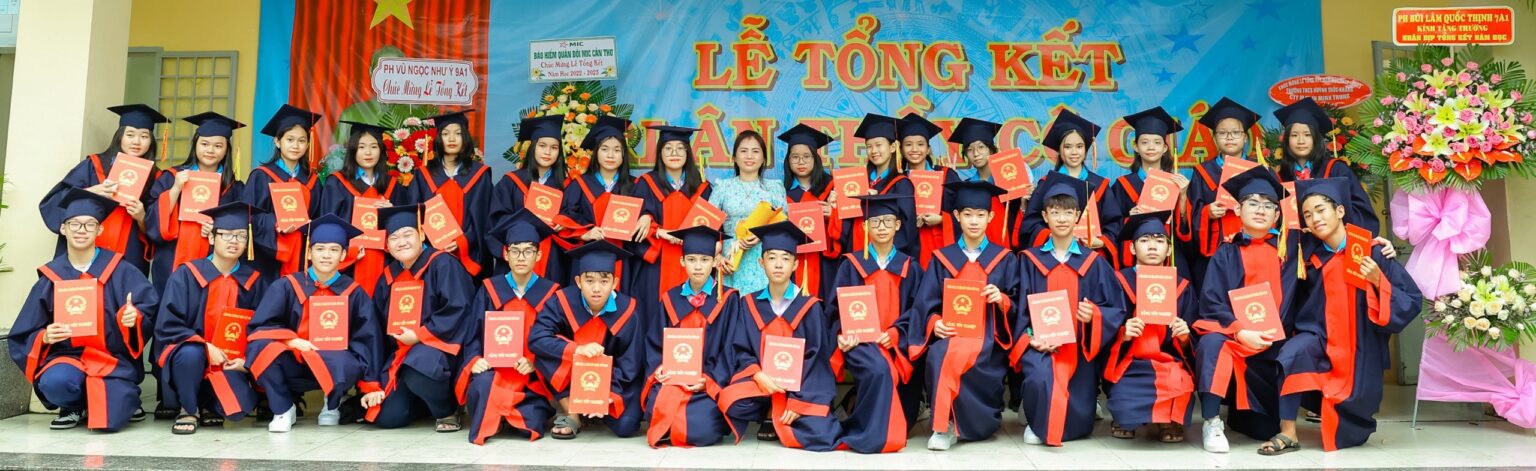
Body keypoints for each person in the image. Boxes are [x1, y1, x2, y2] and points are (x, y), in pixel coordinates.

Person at [1270, 178, 1421, 453]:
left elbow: (1411, 300)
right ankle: (1288, 431)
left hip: (1359, 344)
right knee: (1292, 354)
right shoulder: (1310, 255)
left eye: (1321, 210)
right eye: (1307, 215)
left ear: (1340, 211)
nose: (1315, 219)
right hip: (1320, 336)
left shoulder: (1372, 251)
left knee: (1351, 426)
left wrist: (1378, 280)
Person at [9, 188, 159, 432]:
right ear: (63, 228)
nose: (81, 230)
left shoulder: (120, 270)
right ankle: (74, 405)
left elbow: (148, 306)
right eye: (74, 224)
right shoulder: (51, 277)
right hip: (68, 357)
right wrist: (45, 336)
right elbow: (25, 330)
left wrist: (135, 318)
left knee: (111, 420)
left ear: (99, 230)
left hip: (112, 359)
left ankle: (125, 398)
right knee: (55, 383)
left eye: (90, 225)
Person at [1191, 166, 1302, 453]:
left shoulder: (1292, 247)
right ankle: (1212, 421)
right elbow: (1212, 302)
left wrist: (1379, 245)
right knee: (1211, 343)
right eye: (1253, 203)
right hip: (1238, 339)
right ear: (1238, 210)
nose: (1261, 210)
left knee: (1262, 430)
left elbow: (1335, 241)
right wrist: (1241, 331)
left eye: (1268, 205)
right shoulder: (1226, 251)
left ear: (1277, 215)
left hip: (1277, 345)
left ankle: (1248, 414)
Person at [1013, 172, 1126, 446]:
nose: (1062, 219)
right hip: (1040, 345)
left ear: (1078, 216)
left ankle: (1048, 420)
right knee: (1040, 375)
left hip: (1079, 348)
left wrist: (1094, 315)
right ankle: (1037, 421)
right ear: (1045, 216)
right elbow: (1018, 307)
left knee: (1077, 420)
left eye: (1067, 212)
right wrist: (1032, 338)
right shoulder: (1029, 261)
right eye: (1055, 212)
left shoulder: (1094, 262)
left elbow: (1116, 307)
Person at [906, 181, 1019, 450]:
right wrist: (935, 323)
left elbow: (1019, 304)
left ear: (991, 217)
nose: (974, 221)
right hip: (952, 334)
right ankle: (942, 426)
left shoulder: (1004, 258)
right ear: (956, 216)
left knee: (959, 357)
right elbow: (925, 304)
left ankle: (966, 424)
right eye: (968, 214)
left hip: (989, 338)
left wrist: (1001, 300)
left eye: (980, 215)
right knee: (939, 355)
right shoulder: (942, 258)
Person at [246, 215, 383, 433]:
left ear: (344, 255)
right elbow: (260, 327)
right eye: (320, 249)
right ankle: (283, 408)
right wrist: (292, 341)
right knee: (260, 346)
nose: (326, 255)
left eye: (334, 250)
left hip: (335, 365)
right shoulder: (286, 286)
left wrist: (370, 384)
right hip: (295, 363)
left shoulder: (354, 293)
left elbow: (368, 338)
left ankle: (332, 402)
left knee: (348, 357)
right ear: (309, 253)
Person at [717, 221, 842, 450]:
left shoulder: (810, 306)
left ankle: (782, 412)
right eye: (772, 257)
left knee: (823, 433)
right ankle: (769, 408)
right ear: (761, 262)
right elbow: (741, 348)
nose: (778, 265)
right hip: (762, 384)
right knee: (730, 401)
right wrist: (757, 375)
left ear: (795, 264)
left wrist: (799, 401)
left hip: (800, 388)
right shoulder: (749, 304)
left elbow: (816, 359)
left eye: (785, 258)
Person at [153, 202, 266, 434]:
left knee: (236, 410)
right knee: (190, 353)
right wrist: (205, 346)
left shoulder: (254, 281)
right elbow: (168, 325)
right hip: (190, 358)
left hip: (229, 361)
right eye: (226, 235)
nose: (234, 241)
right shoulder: (186, 275)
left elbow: (262, 328)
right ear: (212, 238)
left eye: (241, 236)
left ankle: (209, 404)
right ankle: (188, 408)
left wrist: (247, 360)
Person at [366, 205, 475, 431]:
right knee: (387, 418)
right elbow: (376, 328)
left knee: (419, 365)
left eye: (408, 235)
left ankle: (447, 410)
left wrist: (419, 335)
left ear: (422, 235)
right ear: (387, 245)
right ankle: (425, 402)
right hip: (402, 355)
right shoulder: (388, 277)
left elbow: (460, 308)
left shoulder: (443, 263)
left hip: (441, 351)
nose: (401, 242)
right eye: (394, 238)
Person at [826, 194, 920, 453]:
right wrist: (842, 334)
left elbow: (918, 310)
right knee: (880, 369)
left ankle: (857, 410)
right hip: (861, 342)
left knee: (890, 370)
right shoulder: (852, 265)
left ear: (897, 226)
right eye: (875, 222)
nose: (881, 227)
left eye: (888, 221)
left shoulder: (910, 267)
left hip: (896, 343)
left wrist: (896, 333)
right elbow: (835, 309)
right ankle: (873, 434)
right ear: (865, 226)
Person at [459, 210, 561, 444]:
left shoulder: (551, 294)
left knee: (531, 426)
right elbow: (473, 334)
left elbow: (556, 339)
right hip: (493, 373)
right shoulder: (489, 289)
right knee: (482, 384)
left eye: (528, 251)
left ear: (538, 255)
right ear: (505, 254)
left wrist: (535, 362)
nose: (521, 257)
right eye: (515, 251)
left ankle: (504, 415)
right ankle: (498, 414)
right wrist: (475, 360)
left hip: (531, 379)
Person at [529, 240, 646, 439]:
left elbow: (631, 363)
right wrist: (576, 349)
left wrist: (604, 395)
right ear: (578, 282)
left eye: (604, 281)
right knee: (544, 353)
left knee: (627, 426)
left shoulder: (628, 311)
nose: (596, 288)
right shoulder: (561, 302)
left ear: (615, 283)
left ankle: (594, 410)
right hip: (571, 375)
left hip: (612, 381)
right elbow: (537, 338)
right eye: (589, 281)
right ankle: (572, 413)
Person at [1103, 211, 1198, 443]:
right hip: (1129, 363)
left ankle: (1167, 419)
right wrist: (1123, 333)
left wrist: (1185, 337)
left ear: (1169, 249)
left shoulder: (1182, 286)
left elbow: (1195, 334)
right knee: (1124, 395)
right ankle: (1126, 416)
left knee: (1180, 382)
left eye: (1159, 241)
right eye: (1144, 240)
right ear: (1132, 248)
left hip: (1169, 362)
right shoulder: (1118, 281)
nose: (1152, 246)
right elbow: (1102, 326)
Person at [40, 104, 169, 276]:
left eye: (144, 136)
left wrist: (141, 217)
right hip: (86, 249)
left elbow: (160, 230)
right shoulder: (92, 166)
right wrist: (92, 191)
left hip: (129, 255)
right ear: (119, 136)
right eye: (130, 134)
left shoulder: (157, 178)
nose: (136, 142)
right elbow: (53, 203)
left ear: (151, 141)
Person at [642, 226, 736, 448]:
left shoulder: (728, 299)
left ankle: (676, 427)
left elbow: (731, 348)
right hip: (674, 379)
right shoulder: (670, 298)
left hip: (708, 383)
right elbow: (655, 343)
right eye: (692, 260)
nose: (698, 266)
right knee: (655, 404)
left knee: (702, 428)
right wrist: (659, 369)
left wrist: (708, 381)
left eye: (704, 260)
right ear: (682, 261)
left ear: (715, 262)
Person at [145, 111, 247, 294]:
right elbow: (152, 220)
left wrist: (218, 229)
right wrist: (175, 189)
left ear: (227, 150)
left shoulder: (234, 188)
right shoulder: (171, 177)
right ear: (195, 145)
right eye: (204, 144)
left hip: (213, 257)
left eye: (218, 146)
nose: (210, 150)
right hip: (171, 257)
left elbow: (241, 226)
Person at [317, 120, 412, 296]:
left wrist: (393, 212)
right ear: (353, 150)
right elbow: (329, 226)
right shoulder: (336, 183)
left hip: (385, 262)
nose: (368, 152)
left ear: (381, 150)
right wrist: (349, 252)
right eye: (361, 147)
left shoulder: (393, 186)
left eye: (374, 147)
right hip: (350, 262)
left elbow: (406, 228)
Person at [1184, 98, 1263, 291]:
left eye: (1236, 132)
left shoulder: (1259, 169)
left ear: (1245, 138)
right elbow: (1191, 212)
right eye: (1222, 133)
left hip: (1253, 249)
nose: (1229, 137)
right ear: (1215, 138)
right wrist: (1207, 213)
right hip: (1215, 252)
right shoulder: (1202, 172)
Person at [1102, 107, 1192, 271]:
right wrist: (1129, 219)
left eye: (1157, 142)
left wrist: (1183, 196)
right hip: (1135, 259)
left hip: (1172, 257)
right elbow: (1113, 227)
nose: (1151, 147)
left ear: (1165, 148)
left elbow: (1186, 229)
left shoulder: (1177, 183)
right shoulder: (1122, 185)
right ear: (1135, 147)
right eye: (1144, 142)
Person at [1271, 98, 1380, 235]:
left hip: (1332, 243)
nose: (1301, 141)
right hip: (1294, 244)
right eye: (1294, 135)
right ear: (1287, 140)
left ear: (1316, 138)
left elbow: (1361, 212)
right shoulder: (1280, 176)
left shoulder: (1336, 170)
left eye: (1307, 135)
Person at [631, 125, 712, 306]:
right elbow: (630, 225)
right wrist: (656, 228)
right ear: (660, 153)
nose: (674, 153)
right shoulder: (646, 184)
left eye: (680, 148)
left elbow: (712, 228)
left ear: (687, 153)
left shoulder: (702, 187)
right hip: (655, 266)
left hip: (693, 265)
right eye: (668, 148)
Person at [243, 104, 324, 284]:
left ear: (308, 144)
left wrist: (310, 226)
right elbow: (248, 216)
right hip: (268, 258)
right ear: (278, 142)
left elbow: (320, 216)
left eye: (301, 140)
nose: (295, 146)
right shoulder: (261, 176)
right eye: (290, 139)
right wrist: (275, 223)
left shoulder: (313, 181)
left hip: (303, 255)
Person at [1016, 110, 1113, 255]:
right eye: (1068, 147)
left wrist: (1102, 241)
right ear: (1059, 150)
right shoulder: (1046, 184)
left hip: (1091, 257)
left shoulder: (1100, 185)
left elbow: (1113, 224)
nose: (1074, 152)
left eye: (1079, 146)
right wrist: (1051, 235)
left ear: (1086, 149)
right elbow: (1031, 225)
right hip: (1053, 256)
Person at [411, 109, 493, 277]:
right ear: (438, 138)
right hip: (431, 254)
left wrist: (463, 241)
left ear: (465, 138)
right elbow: (414, 214)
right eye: (446, 133)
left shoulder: (479, 175)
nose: (452, 139)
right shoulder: (423, 175)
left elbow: (484, 218)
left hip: (468, 255)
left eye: (458, 133)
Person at [559, 115, 639, 288]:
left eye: (617, 150)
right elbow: (566, 217)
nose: (610, 155)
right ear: (596, 152)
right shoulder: (580, 185)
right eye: (604, 149)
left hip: (623, 260)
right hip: (587, 258)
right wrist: (584, 233)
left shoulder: (635, 186)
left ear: (623, 155)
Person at [490, 115, 571, 282]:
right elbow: (495, 221)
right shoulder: (510, 182)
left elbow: (575, 216)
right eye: (542, 146)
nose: (547, 152)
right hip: (516, 256)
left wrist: (564, 222)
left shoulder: (567, 186)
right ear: (533, 147)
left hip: (552, 260)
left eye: (554, 147)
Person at [712, 130, 786, 295]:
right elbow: (708, 229)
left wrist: (761, 234)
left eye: (755, 151)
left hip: (764, 257)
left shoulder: (774, 187)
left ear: (764, 158)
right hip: (730, 258)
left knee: (761, 306)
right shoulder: (722, 187)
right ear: (734, 157)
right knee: (731, 304)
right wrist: (716, 257)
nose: (749, 156)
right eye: (744, 151)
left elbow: (784, 225)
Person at [835, 113, 915, 257]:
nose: (873, 151)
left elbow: (907, 226)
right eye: (869, 146)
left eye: (879, 145)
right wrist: (836, 208)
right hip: (856, 250)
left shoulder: (902, 184)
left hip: (885, 257)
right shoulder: (858, 181)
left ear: (892, 147)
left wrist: (879, 203)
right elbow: (847, 226)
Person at [778, 124, 842, 298]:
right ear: (788, 160)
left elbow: (853, 228)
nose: (801, 162)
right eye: (795, 157)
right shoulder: (781, 193)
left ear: (815, 158)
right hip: (793, 261)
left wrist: (834, 215)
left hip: (826, 263)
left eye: (806, 156)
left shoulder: (833, 187)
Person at [897, 113, 960, 270]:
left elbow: (964, 212)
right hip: (909, 249)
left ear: (928, 149)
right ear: (901, 150)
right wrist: (909, 223)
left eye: (920, 144)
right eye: (908, 144)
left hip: (941, 245)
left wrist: (942, 219)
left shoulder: (947, 175)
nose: (914, 149)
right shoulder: (898, 181)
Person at [949, 117, 1021, 250]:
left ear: (991, 149)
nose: (976, 154)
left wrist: (1025, 200)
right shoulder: (966, 187)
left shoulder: (1009, 181)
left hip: (1005, 251)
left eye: (981, 147)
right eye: (970, 149)